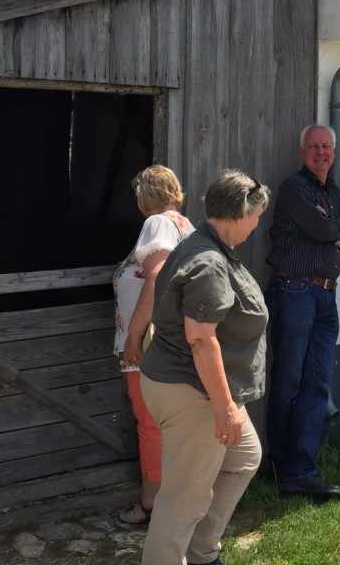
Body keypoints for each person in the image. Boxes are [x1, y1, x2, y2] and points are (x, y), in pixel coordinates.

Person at [138, 169, 270, 565]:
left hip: (200, 385)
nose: (257, 223)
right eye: (257, 214)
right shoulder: (209, 260)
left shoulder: (204, 243)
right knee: (183, 498)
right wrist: (225, 406)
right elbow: (200, 339)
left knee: (243, 455)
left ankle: (201, 551)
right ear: (239, 213)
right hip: (191, 390)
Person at [265, 124, 340, 500]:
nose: (321, 152)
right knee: (288, 380)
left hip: (325, 297)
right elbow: (328, 228)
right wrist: (336, 225)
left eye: (326, 147)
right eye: (313, 146)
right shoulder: (293, 188)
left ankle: (301, 468)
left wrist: (337, 228)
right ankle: (280, 466)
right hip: (294, 291)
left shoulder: (333, 191)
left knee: (317, 382)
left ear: (333, 152)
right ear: (302, 151)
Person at [113, 165, 194, 525]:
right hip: (172, 342)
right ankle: (177, 504)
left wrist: (133, 333)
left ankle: (151, 507)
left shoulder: (158, 224)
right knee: (171, 424)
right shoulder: (185, 226)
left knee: (150, 424)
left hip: (147, 345)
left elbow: (157, 276)